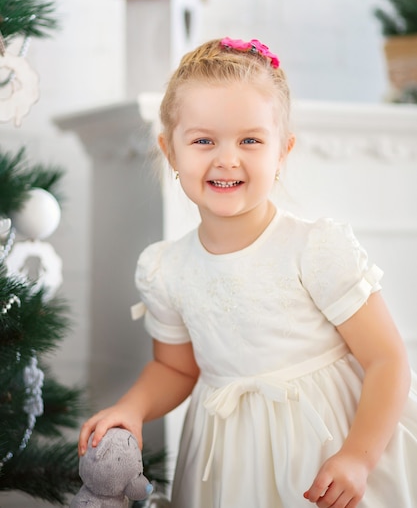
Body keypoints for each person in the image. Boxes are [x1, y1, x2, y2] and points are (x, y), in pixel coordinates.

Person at [78, 37, 417, 508]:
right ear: (170, 151)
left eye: (250, 140)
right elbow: (175, 366)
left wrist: (357, 458)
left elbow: (387, 359)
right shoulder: (167, 268)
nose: (226, 159)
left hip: (327, 450)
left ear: (283, 151)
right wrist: (131, 408)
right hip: (229, 461)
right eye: (203, 141)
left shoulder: (314, 249)